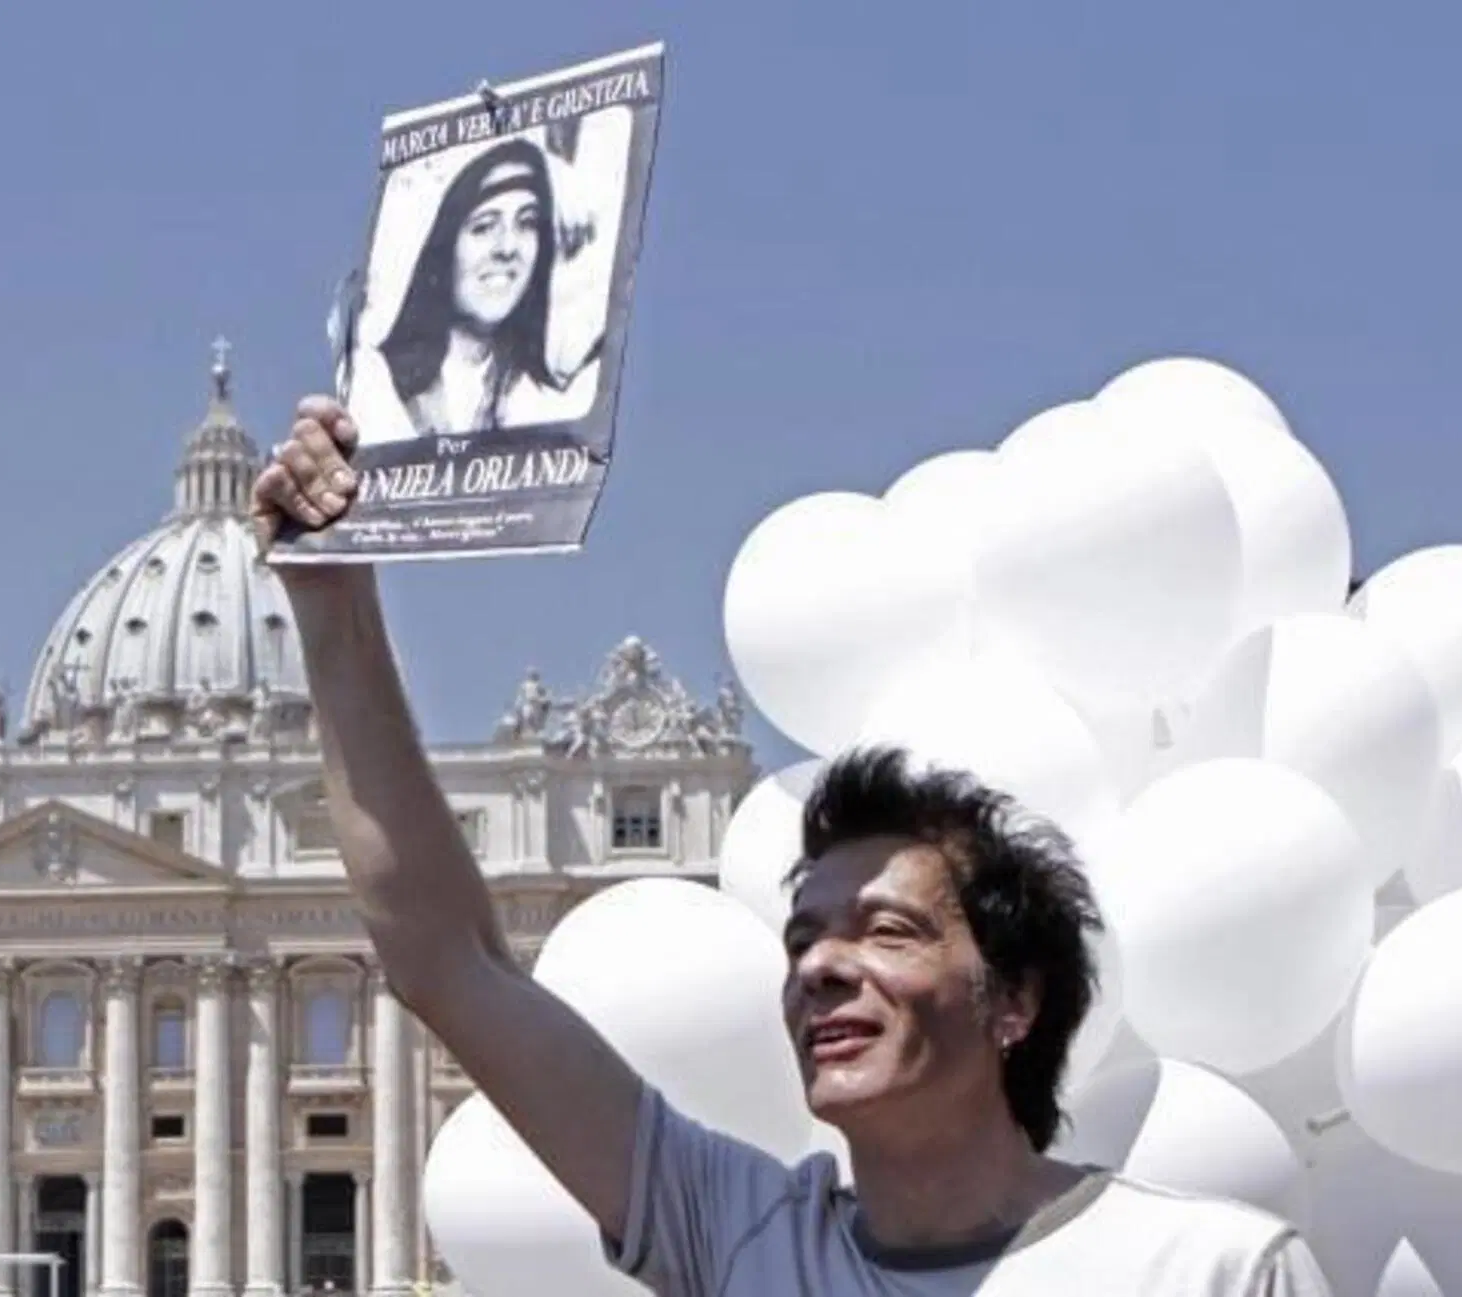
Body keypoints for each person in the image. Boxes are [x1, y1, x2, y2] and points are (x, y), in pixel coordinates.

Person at [250, 396, 1335, 1297]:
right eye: (803, 938)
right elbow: (451, 965)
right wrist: (333, 605)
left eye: (887, 930)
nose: (821, 965)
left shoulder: (1216, 1270)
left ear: (1014, 999)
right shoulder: (740, 1239)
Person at [350, 137, 599, 442]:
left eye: (527, 223)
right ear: (437, 246)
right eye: (483, 226)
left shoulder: (542, 403)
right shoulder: (370, 386)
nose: (507, 247)